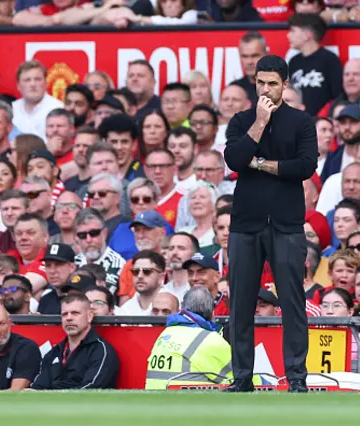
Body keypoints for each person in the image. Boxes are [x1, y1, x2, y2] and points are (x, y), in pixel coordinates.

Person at [224, 54, 317, 393]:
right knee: (241, 305)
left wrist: (260, 163)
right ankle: (242, 378)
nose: (265, 89)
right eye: (261, 82)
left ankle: (296, 378)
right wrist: (259, 123)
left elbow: (305, 166)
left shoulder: (301, 122)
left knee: (292, 303)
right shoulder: (241, 120)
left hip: (287, 223)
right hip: (245, 223)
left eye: (272, 84)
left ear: (285, 85)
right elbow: (234, 159)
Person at [145, 287, 231, 390]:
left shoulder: (165, 334)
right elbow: (236, 380)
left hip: (153, 402)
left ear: (182, 308)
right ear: (212, 313)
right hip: (188, 403)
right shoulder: (211, 340)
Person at [31, 293, 119, 390]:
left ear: (89, 316)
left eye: (75, 313)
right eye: (64, 314)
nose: (69, 318)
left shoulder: (101, 350)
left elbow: (91, 389)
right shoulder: (54, 352)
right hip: (51, 403)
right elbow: (38, 387)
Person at [287, 13, 342, 116]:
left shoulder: (329, 59)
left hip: (321, 123)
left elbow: (337, 95)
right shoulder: (293, 62)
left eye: (293, 30)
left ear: (307, 34)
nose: (288, 35)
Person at [118, 250, 166, 316]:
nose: (140, 276)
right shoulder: (125, 310)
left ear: (161, 277)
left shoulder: (173, 305)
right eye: (135, 271)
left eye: (147, 271)